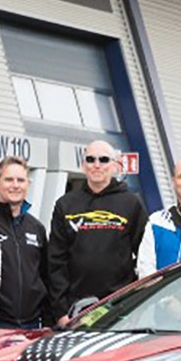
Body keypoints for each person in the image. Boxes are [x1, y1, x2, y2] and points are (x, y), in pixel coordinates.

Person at [46, 139, 146, 325]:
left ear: (115, 166)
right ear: (83, 166)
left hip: (120, 308)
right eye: (91, 159)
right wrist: (60, 312)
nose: (97, 165)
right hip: (75, 310)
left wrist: (135, 303)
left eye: (104, 159)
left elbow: (144, 256)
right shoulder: (65, 204)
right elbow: (55, 261)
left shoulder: (132, 204)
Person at [0, 156, 54, 330]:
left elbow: (45, 277)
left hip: (32, 325)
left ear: (28, 184)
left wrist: (47, 321)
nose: (15, 185)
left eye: (20, 180)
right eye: (9, 179)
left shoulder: (36, 228)